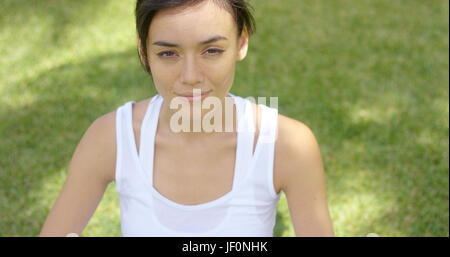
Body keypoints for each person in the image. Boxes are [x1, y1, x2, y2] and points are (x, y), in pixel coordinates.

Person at [39, 0, 334, 237]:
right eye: (168, 54)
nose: (191, 77)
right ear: (144, 52)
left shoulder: (287, 145)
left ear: (241, 43)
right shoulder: (112, 138)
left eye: (212, 51)